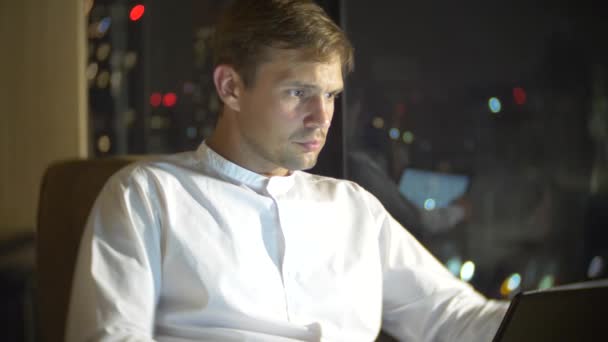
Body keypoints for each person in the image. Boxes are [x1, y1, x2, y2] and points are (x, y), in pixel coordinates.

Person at [66, 1, 508, 341]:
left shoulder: (354, 209)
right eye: (299, 92)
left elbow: (455, 318)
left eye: (331, 95)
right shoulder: (147, 197)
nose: (322, 117)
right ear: (231, 87)